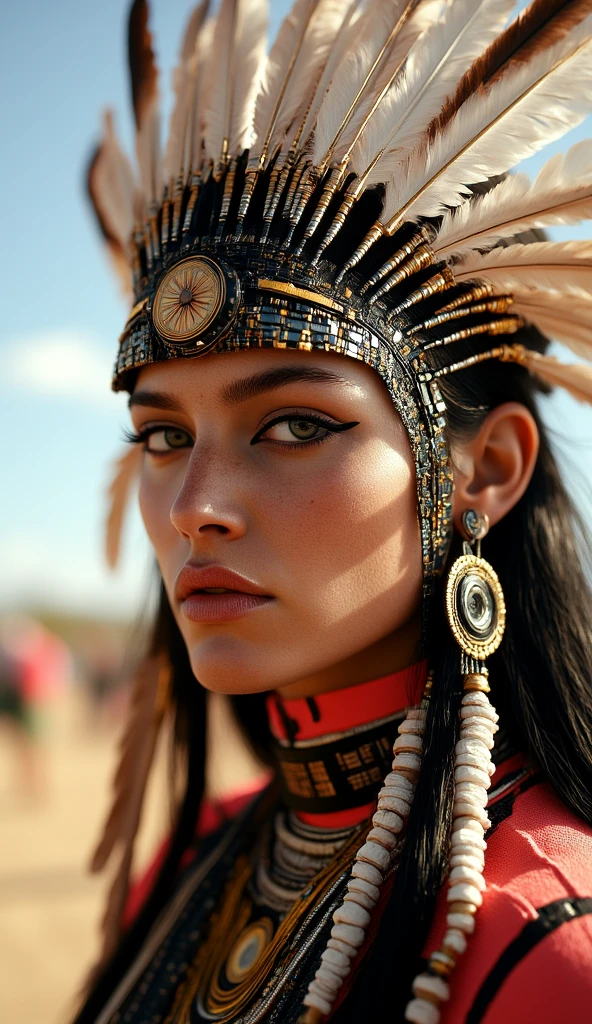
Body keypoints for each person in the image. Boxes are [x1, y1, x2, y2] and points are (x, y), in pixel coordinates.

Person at [75, 0, 592, 1021]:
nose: (197, 507)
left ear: (485, 471)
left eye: (295, 425)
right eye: (163, 435)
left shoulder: (547, 950)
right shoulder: (181, 874)